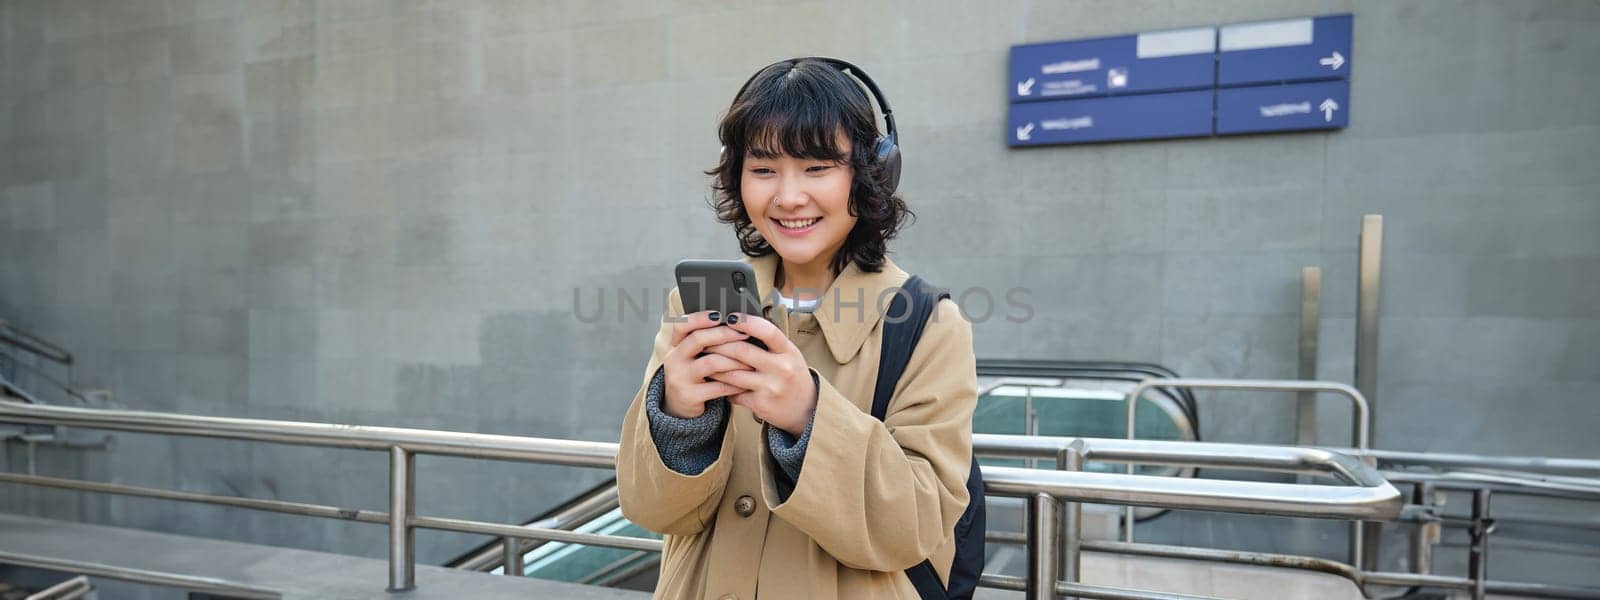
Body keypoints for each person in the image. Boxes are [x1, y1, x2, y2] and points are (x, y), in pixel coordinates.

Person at [615, 57, 979, 600]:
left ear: (871, 171)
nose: (787, 197)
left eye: (816, 168)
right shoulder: (694, 307)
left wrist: (808, 416)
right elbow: (650, 509)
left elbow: (920, 527)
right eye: (763, 170)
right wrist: (678, 421)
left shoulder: (928, 324)